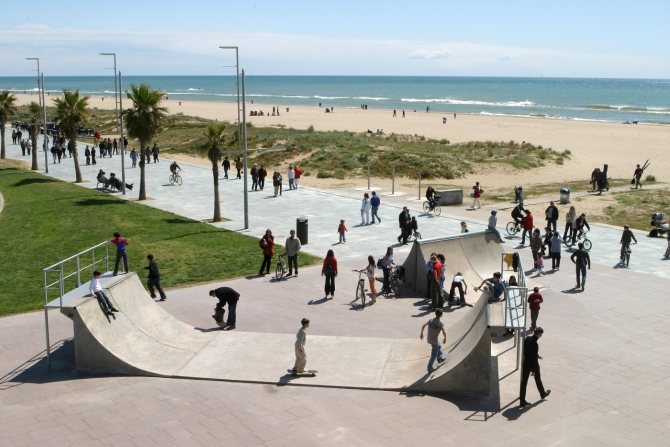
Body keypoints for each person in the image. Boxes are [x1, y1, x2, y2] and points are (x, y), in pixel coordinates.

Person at [519, 327, 550, 407]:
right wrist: (533, 370)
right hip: (533, 364)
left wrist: (537, 355)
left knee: (524, 382)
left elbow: (529, 352)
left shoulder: (527, 339)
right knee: (538, 379)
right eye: (541, 334)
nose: (541, 336)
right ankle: (542, 394)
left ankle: (522, 400)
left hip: (526, 363)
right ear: (538, 334)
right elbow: (532, 357)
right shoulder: (535, 344)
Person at [420, 308, 447, 373]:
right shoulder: (441, 323)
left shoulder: (431, 320)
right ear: (441, 315)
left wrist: (421, 333)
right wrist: (445, 338)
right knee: (434, 354)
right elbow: (444, 332)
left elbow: (423, 325)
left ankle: (440, 357)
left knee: (439, 345)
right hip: (434, 340)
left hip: (429, 339)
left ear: (435, 313)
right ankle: (429, 367)